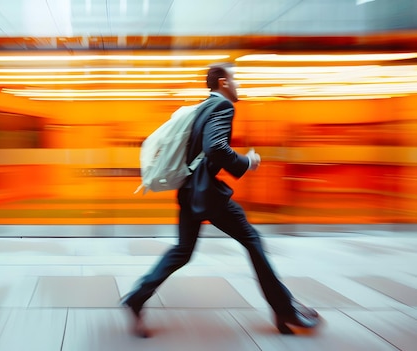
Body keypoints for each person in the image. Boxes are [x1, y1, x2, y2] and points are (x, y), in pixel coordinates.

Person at [121, 62, 320, 337]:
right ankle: (284, 309)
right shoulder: (223, 107)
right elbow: (215, 147)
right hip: (208, 194)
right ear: (224, 82)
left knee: (183, 251)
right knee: (252, 240)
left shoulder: (202, 107)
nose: (238, 85)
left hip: (191, 190)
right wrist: (246, 162)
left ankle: (135, 299)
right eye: (235, 79)